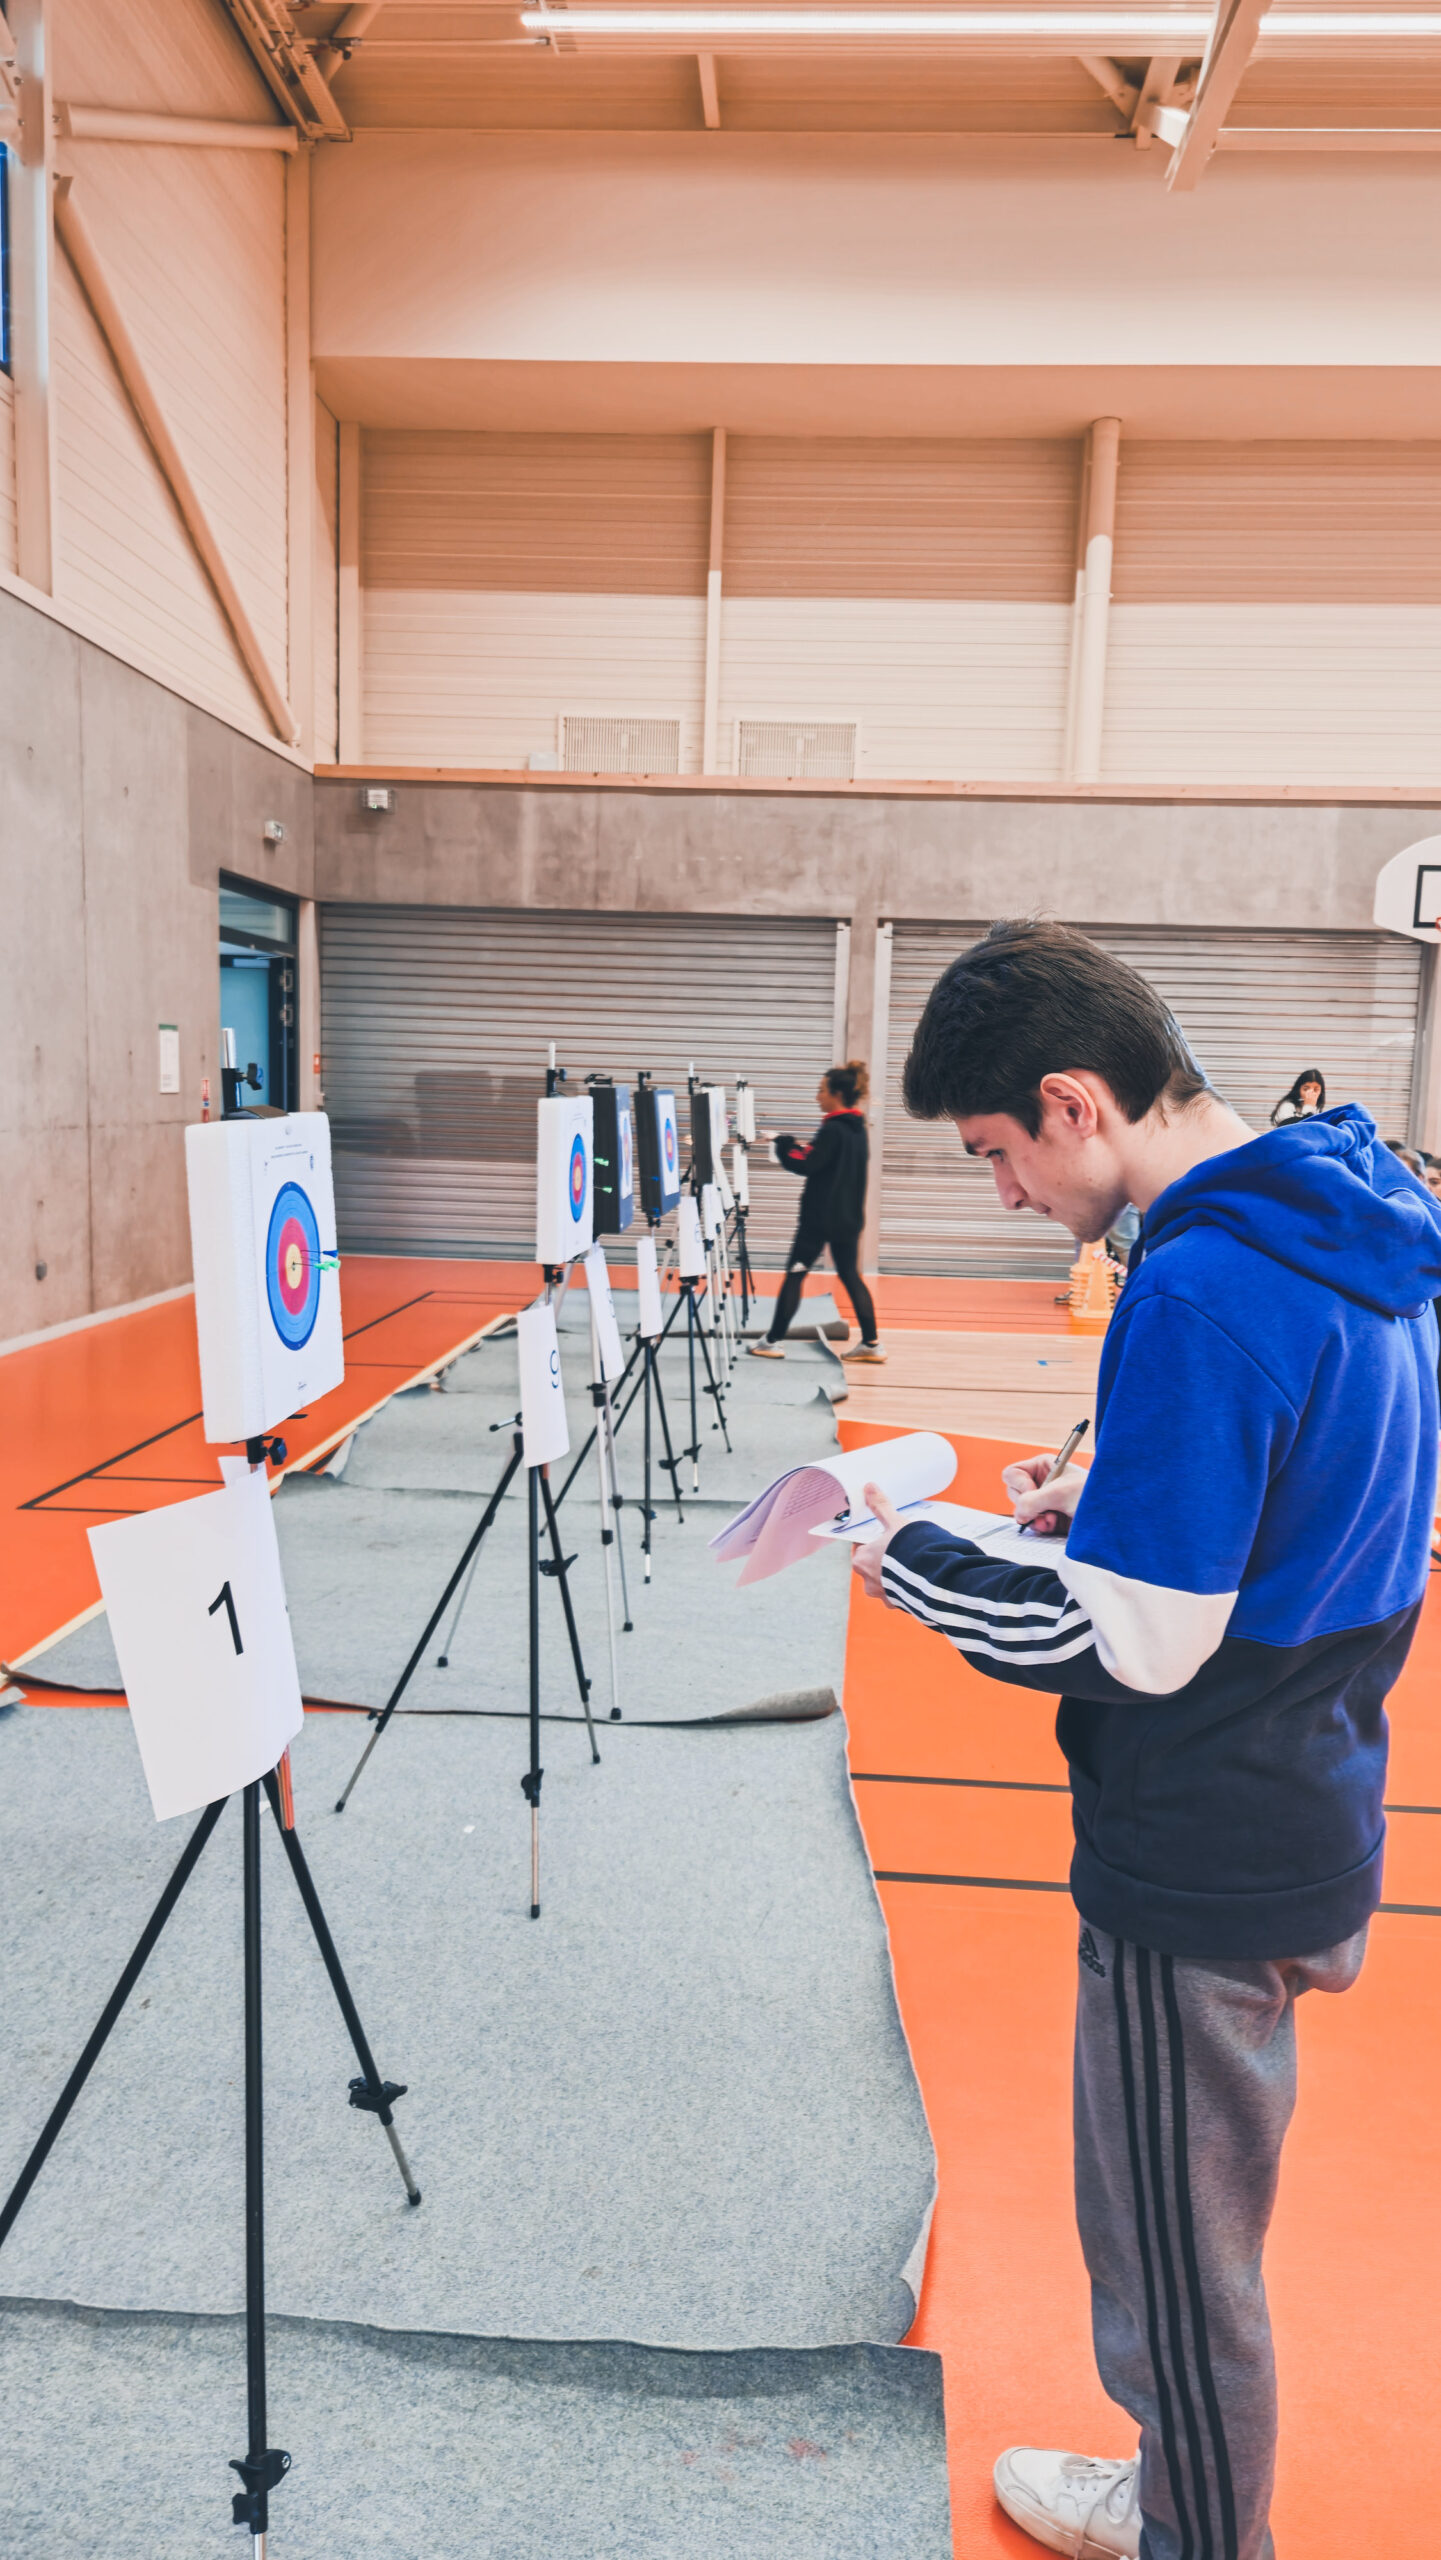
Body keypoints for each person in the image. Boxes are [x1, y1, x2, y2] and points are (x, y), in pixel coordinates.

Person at [850, 919, 1441, 2560]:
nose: (1004, 1195)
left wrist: (897, 1549)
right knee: (1190, 2250)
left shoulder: (1198, 1283)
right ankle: (1180, 2500)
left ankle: (1197, 2539)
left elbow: (1134, 1639)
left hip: (1201, 1862)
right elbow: (1316, 1498)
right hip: (1308, 1808)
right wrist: (1110, 1496)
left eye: (996, 1157)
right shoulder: (1358, 1218)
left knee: (1176, 2272)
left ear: (1071, 1101)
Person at [748, 1061, 885, 1363]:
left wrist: (783, 1145)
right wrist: (791, 1144)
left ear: (836, 1094)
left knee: (796, 1275)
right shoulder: (856, 1128)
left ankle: (771, 1341)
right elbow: (819, 1156)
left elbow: (807, 1163)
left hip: (819, 1220)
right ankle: (872, 1344)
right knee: (850, 1276)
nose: (816, 1096)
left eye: (821, 1090)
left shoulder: (833, 1129)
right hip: (848, 1219)